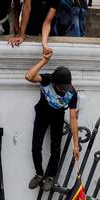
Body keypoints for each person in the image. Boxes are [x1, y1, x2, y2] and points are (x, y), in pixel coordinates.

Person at [25, 53, 80, 192]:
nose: (64, 90)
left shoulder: (71, 93)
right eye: (62, 87)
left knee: (55, 149)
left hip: (57, 118)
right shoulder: (47, 80)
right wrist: (44, 60)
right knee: (36, 147)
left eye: (66, 86)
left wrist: (76, 144)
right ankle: (39, 174)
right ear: (55, 83)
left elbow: (73, 118)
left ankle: (50, 177)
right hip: (41, 115)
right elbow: (29, 76)